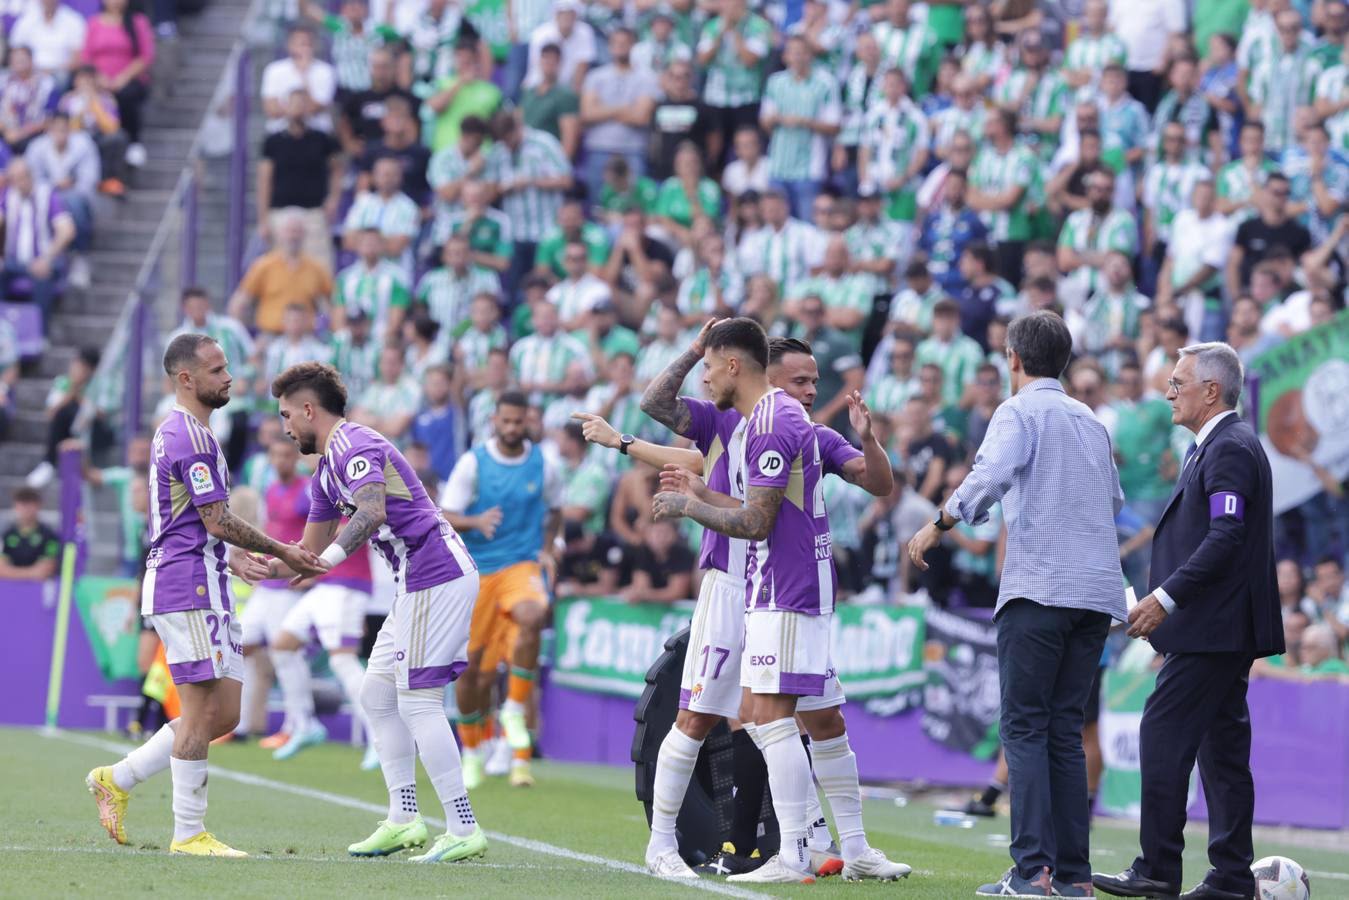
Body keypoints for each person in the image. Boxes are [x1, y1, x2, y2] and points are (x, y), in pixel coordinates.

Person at [644, 318, 871, 884]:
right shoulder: (730, 418)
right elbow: (656, 403)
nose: (810, 392)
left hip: (777, 583)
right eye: (800, 380)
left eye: (812, 381)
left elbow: (757, 516)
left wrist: (690, 505)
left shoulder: (781, 421)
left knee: (799, 716)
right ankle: (672, 844)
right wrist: (697, 346)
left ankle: (818, 847)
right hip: (736, 582)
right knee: (714, 714)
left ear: (736, 367)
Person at [908, 310, 1126, 898]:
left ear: (1013, 359)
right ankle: (1074, 875)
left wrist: (939, 522)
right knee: (1063, 731)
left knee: (1024, 728)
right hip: (1094, 597)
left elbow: (991, 474)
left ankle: (1032, 872)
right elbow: (1112, 496)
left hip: (1040, 588)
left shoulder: (1019, 410)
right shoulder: (1091, 419)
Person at [85, 333, 322, 857]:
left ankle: (117, 778)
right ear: (186, 379)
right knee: (198, 712)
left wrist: (235, 558)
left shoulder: (194, 433)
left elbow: (195, 520)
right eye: (216, 370)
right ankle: (189, 833)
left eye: (227, 366)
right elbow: (216, 519)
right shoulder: (188, 437)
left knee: (225, 715)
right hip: (185, 583)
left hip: (206, 577)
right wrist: (283, 549)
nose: (228, 377)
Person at [268, 361, 486, 863]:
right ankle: (404, 819)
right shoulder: (325, 471)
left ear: (308, 409)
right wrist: (262, 564)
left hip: (438, 572)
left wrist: (322, 561)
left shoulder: (355, 445)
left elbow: (372, 512)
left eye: (286, 415)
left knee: (419, 702)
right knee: (376, 692)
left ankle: (462, 826)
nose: (284, 427)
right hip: (416, 582)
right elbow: (308, 552)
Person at [1095, 342, 1283, 900]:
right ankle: (1230, 877)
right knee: (1223, 751)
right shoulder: (1216, 446)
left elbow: (1227, 535)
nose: (1168, 391)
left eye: (1178, 382)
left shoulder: (1229, 448)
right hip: (1218, 627)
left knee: (1162, 733)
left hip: (1212, 629)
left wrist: (1165, 599)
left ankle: (1157, 869)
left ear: (1212, 390)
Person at [440, 391, 562, 789]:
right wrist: (475, 522)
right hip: (477, 573)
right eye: (505, 421)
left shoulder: (546, 463)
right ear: (495, 420)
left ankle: (512, 708)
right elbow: (445, 515)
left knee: (533, 614)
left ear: (528, 420)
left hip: (521, 564)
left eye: (518, 421)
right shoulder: (473, 462)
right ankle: (473, 750)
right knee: (472, 672)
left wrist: (547, 550)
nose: (512, 428)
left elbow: (556, 509)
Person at [0, 486, 59, 580]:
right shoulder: (7, 534)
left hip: (38, 590)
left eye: (30, 503)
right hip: (9, 589)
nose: (26, 508)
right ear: (15, 506)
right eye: (22, 503)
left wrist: (11, 572)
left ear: (39, 505)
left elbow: (46, 570)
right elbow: (1, 569)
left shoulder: (49, 535)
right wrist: (32, 572)